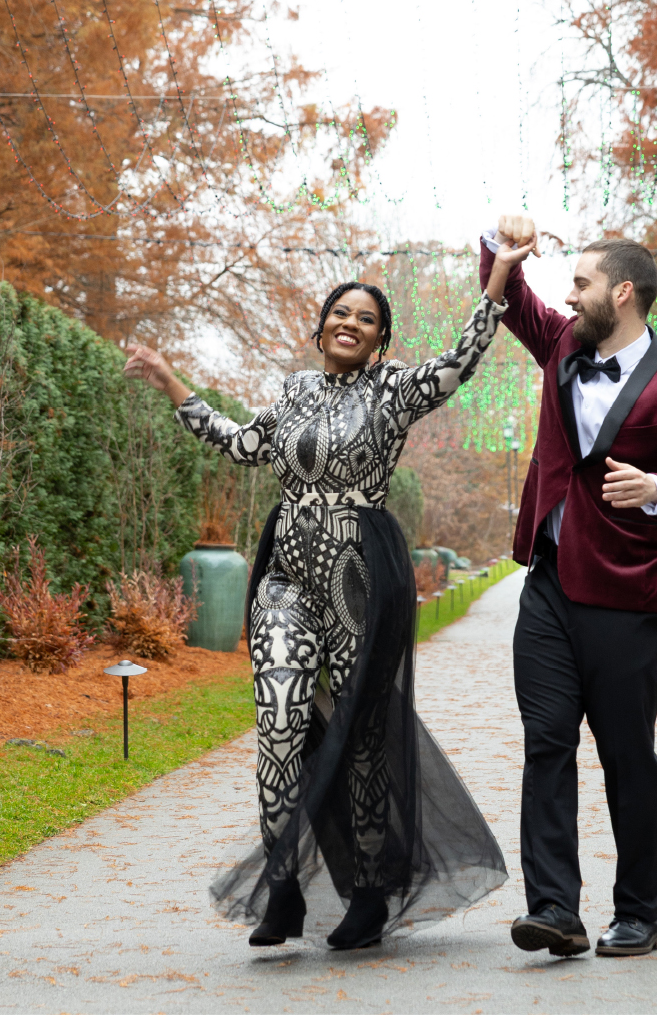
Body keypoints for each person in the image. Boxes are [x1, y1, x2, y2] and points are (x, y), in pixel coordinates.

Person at [123, 234, 532, 951]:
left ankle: (370, 890)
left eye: (366, 318)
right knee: (279, 716)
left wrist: (499, 275)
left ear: (380, 340)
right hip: (288, 572)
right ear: (320, 329)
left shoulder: (395, 390)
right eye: (339, 313)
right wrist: (169, 381)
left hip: (360, 577)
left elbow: (460, 362)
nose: (350, 322)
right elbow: (242, 444)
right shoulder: (294, 392)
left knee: (362, 734)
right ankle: (282, 889)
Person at [479, 214, 657, 961]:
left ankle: (640, 914)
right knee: (546, 743)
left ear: (621, 292)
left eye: (580, 283)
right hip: (548, 589)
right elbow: (509, 295)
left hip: (627, 592)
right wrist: (499, 240)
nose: (568, 293)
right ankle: (554, 909)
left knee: (626, 754)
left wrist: (655, 485)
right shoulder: (560, 344)